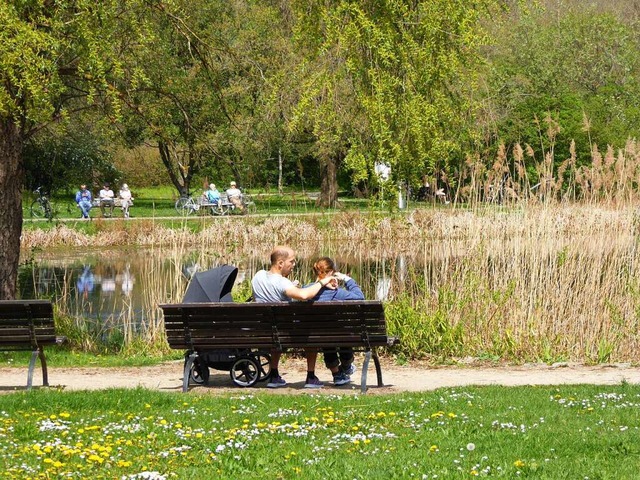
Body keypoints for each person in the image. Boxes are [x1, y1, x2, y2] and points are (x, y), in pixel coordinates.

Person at [252, 246, 337, 389]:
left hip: (266, 330)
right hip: (288, 332)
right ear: (280, 263)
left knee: (276, 331)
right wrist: (323, 282)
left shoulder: (258, 276)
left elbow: (272, 291)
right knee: (311, 331)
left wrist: (291, 287)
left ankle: (274, 374)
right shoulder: (282, 282)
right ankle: (310, 376)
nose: (294, 265)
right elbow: (304, 296)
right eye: (291, 261)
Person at [309, 257, 363, 386]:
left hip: (317, 335)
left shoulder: (307, 291)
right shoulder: (338, 293)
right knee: (342, 332)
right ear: (331, 272)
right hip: (341, 335)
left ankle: (337, 374)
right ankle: (346, 366)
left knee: (326, 336)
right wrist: (347, 279)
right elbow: (360, 297)